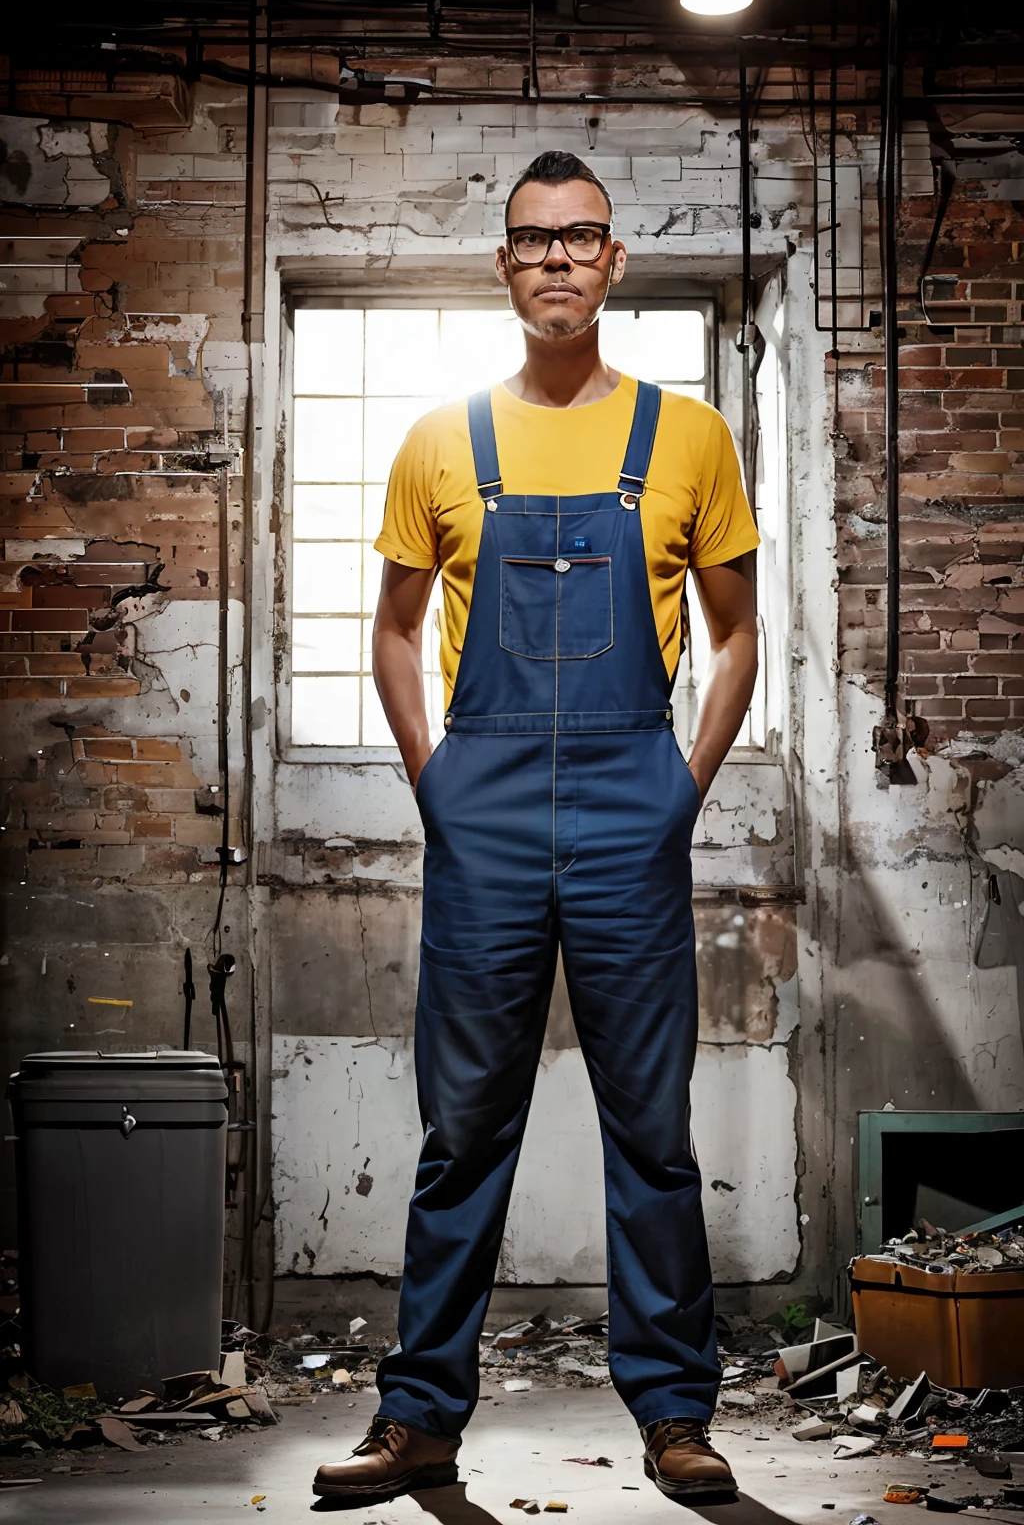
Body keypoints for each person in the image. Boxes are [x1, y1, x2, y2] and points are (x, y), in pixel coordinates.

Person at [313, 149, 759, 1507]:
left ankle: (677, 1413)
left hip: (634, 801)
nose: (556, 258)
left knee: (654, 1132)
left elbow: (738, 634)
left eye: (579, 239)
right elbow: (392, 632)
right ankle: (421, 1419)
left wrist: (685, 786)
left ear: (613, 262)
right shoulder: (443, 439)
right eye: (530, 240)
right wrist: (432, 777)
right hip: (486, 808)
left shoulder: (687, 437)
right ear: (504, 267)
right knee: (463, 1133)